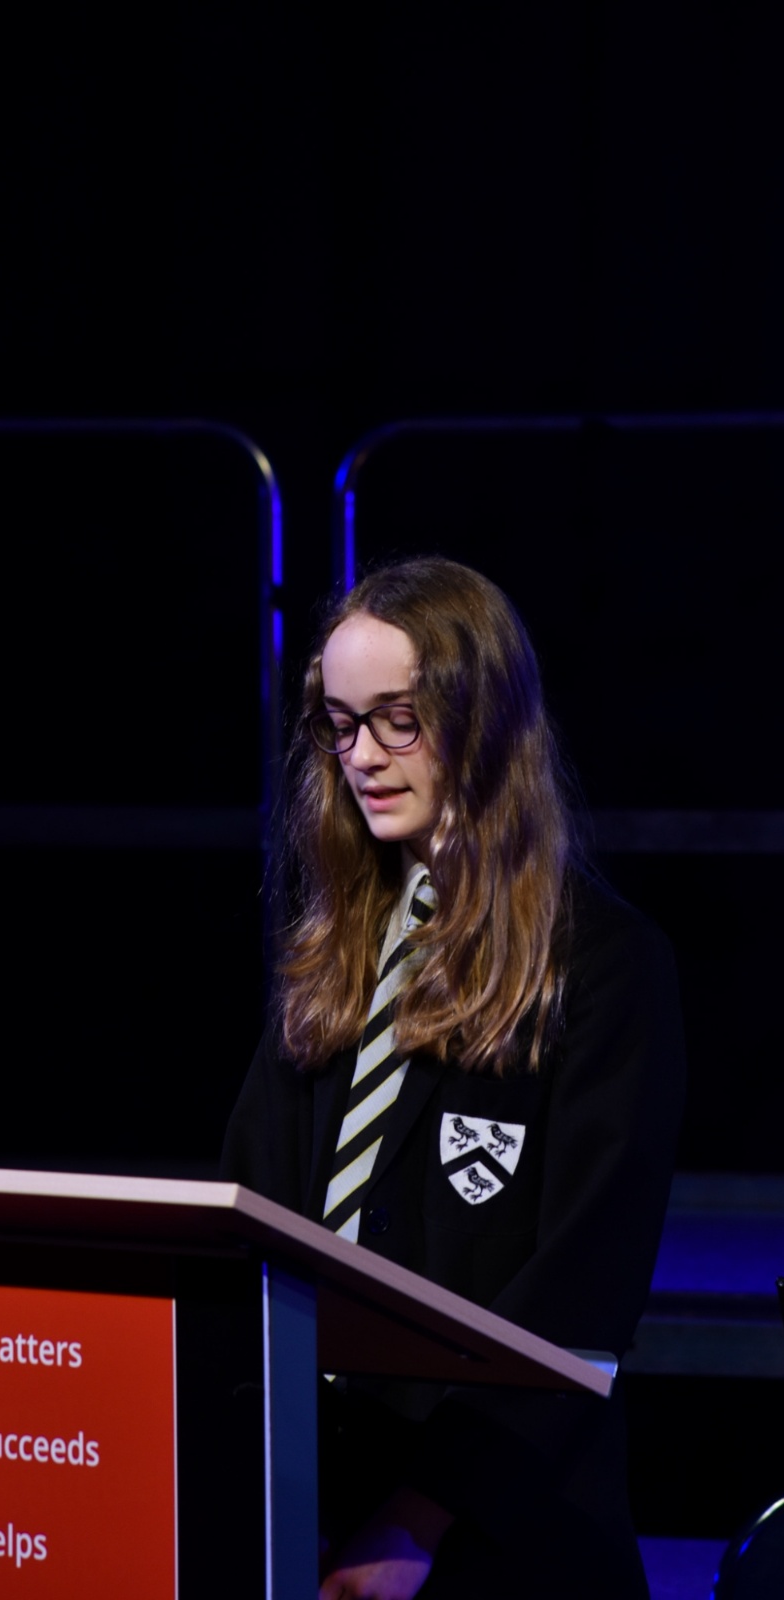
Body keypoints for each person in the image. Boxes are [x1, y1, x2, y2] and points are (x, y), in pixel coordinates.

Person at [221, 557, 685, 1599]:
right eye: (341, 724)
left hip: (496, 1535)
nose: (362, 756)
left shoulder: (602, 967)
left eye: (399, 720)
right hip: (313, 1507)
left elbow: (581, 1291)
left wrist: (418, 1519)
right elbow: (250, 1215)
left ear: (485, 722)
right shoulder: (332, 956)